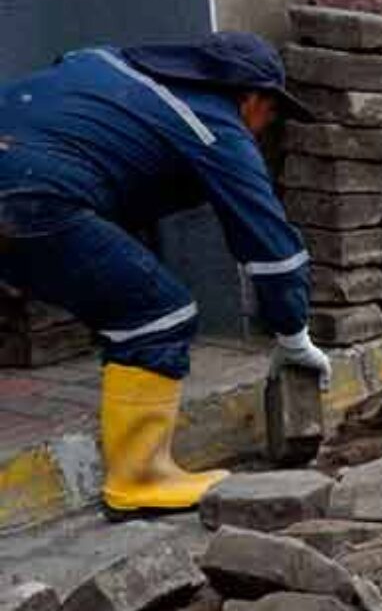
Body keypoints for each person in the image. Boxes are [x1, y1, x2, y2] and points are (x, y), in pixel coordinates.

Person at [0, 33, 331, 515]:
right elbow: (272, 247)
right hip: (28, 193)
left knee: (130, 289)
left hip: (22, 169)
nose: (265, 128)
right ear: (252, 98)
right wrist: (294, 337)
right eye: (272, 114)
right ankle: (139, 481)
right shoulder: (213, 126)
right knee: (156, 315)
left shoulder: (107, 65)